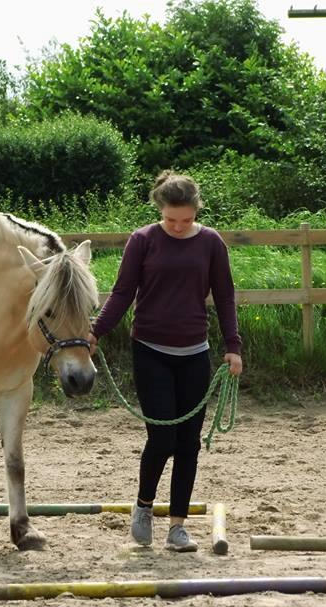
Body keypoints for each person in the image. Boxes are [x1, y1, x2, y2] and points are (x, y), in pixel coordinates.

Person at [88, 171, 243, 552]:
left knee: (189, 442)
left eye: (186, 220)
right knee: (161, 437)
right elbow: (123, 293)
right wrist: (96, 332)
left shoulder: (211, 244)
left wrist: (233, 345)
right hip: (150, 350)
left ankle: (177, 526)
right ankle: (143, 506)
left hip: (195, 352)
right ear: (161, 210)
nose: (178, 226)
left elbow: (224, 296)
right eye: (171, 219)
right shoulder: (143, 240)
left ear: (196, 211)